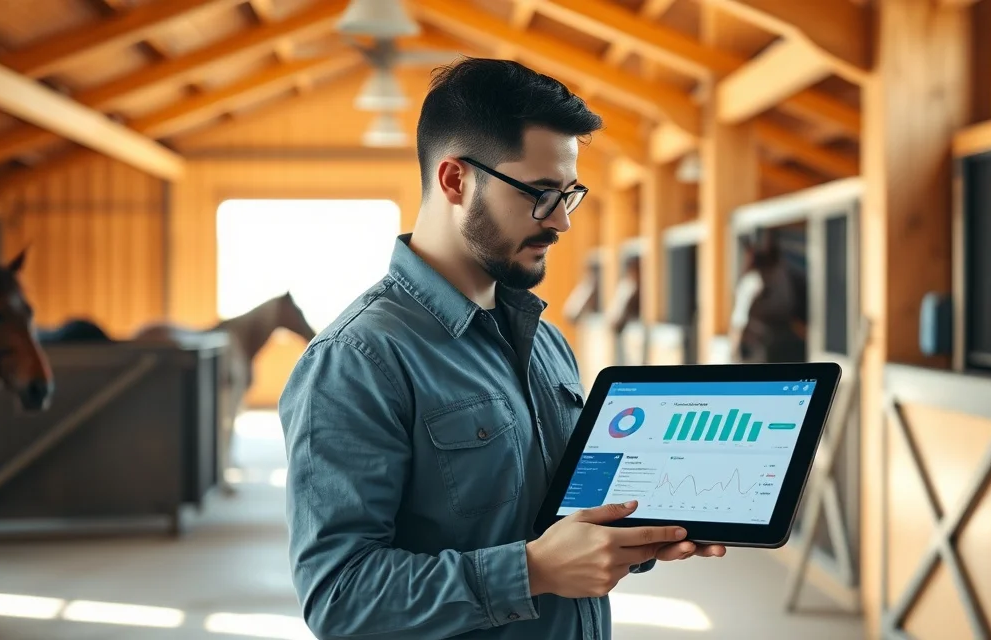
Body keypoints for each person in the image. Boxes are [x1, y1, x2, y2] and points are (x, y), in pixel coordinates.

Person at [278, 57, 726, 640]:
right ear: (455, 180)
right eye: (541, 194)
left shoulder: (547, 341)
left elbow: (557, 525)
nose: (562, 221)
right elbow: (340, 598)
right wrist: (533, 570)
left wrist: (639, 538)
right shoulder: (357, 359)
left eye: (570, 194)